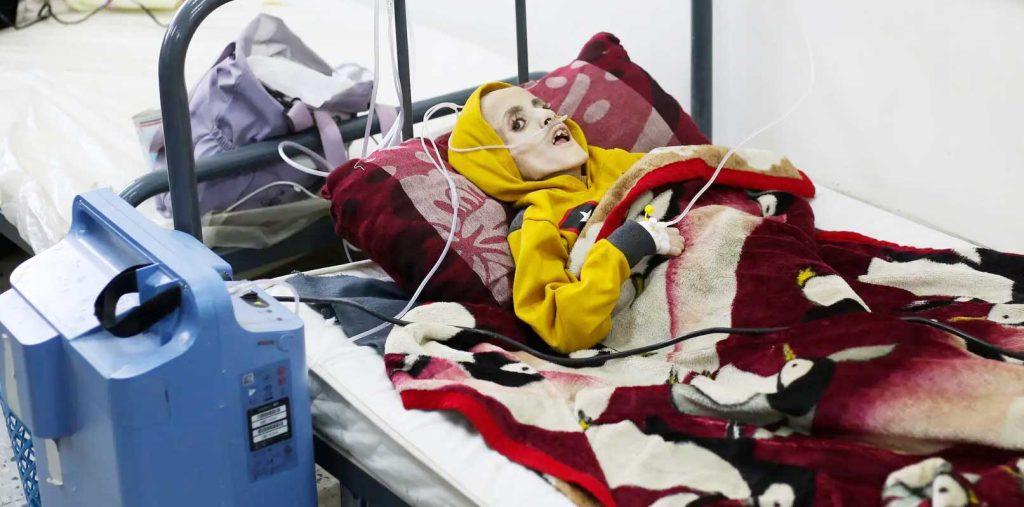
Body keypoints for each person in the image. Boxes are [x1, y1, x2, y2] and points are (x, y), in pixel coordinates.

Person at [448, 82, 683, 353]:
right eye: (519, 123)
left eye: (543, 107)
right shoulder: (538, 221)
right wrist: (626, 246)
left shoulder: (608, 162)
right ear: (497, 165)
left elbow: (700, 168)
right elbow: (561, 325)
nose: (546, 116)